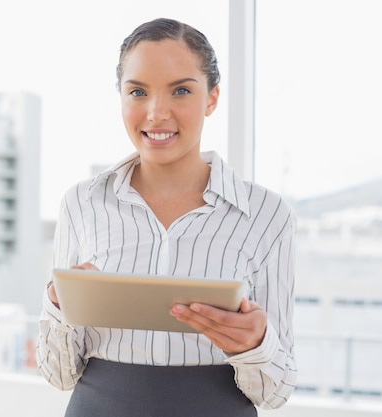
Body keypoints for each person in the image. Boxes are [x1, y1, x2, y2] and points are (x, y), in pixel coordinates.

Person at [36, 17, 297, 417]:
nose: (157, 113)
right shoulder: (82, 203)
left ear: (211, 98)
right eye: (138, 91)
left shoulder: (267, 215)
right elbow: (58, 375)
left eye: (180, 91)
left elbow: (276, 391)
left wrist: (255, 343)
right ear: (121, 98)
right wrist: (58, 305)